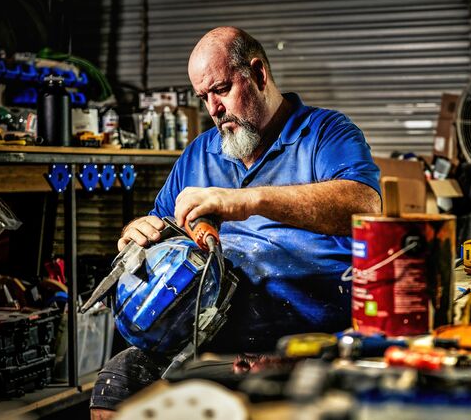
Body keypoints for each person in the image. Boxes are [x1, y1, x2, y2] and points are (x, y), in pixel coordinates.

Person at [90, 26, 381, 418]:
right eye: (203, 97)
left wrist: (244, 201)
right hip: (215, 340)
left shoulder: (326, 133)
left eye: (222, 89)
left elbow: (365, 207)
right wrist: (133, 233)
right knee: (118, 384)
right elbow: (159, 222)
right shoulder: (199, 153)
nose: (213, 108)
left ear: (258, 74)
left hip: (311, 342)